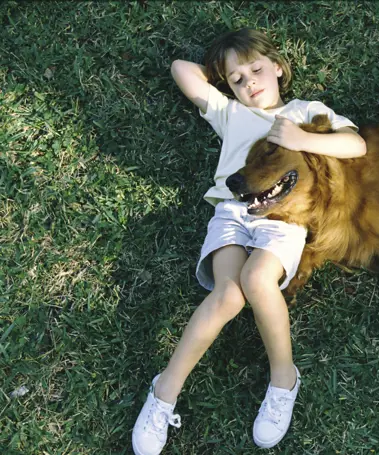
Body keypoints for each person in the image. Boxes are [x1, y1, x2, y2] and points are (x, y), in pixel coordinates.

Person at [131, 28, 366, 454]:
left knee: (258, 281)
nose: (249, 82)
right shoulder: (229, 112)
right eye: (237, 79)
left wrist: (301, 139)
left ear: (278, 67)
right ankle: (163, 393)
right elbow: (181, 70)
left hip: (282, 215)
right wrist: (220, 74)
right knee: (228, 296)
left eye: (257, 69)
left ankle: (283, 380)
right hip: (231, 211)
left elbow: (356, 144)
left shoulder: (302, 111)